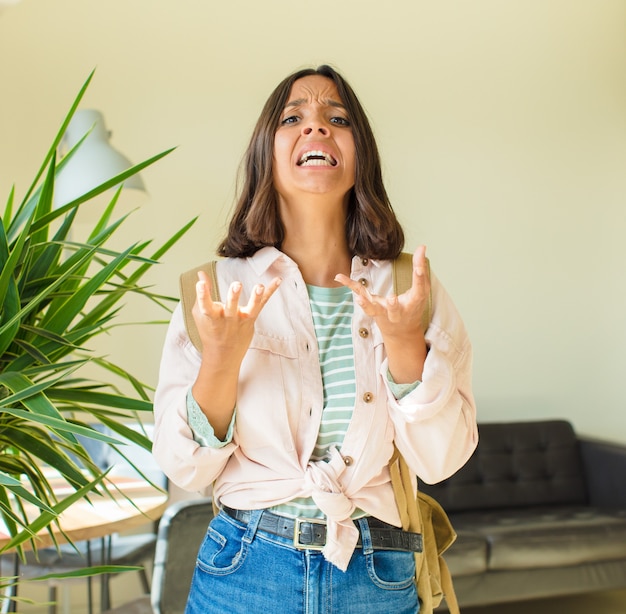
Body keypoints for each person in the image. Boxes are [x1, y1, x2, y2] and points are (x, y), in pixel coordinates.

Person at [152, 64, 478, 614]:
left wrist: (404, 348)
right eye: (293, 117)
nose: (316, 127)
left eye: (337, 118)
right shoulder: (215, 291)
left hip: (378, 571)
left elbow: (441, 460)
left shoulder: (409, 289)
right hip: (243, 572)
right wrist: (222, 360)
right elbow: (185, 471)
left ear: (360, 155)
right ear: (266, 154)